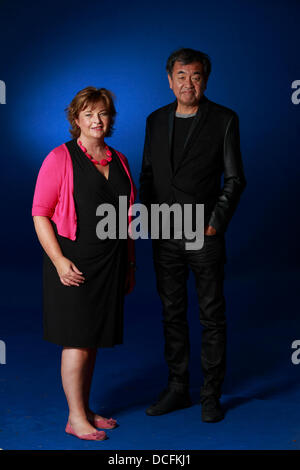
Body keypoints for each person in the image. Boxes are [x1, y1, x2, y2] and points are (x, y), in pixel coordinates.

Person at [139, 48, 246, 422]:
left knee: (211, 315)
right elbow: (148, 176)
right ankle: (177, 388)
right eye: (181, 76)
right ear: (170, 80)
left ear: (206, 80)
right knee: (172, 313)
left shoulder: (224, 119)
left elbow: (235, 178)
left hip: (204, 234)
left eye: (196, 76)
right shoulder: (154, 121)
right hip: (164, 235)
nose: (188, 83)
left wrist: (215, 221)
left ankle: (211, 395)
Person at [32, 86, 136, 440]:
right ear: (75, 119)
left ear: (111, 119)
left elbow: (127, 219)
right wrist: (60, 261)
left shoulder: (119, 159)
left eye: (103, 113)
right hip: (72, 262)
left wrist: (130, 264)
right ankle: (75, 417)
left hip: (110, 263)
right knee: (76, 340)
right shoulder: (59, 158)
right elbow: (40, 214)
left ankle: (85, 407)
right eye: (89, 113)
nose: (97, 120)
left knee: (91, 339)